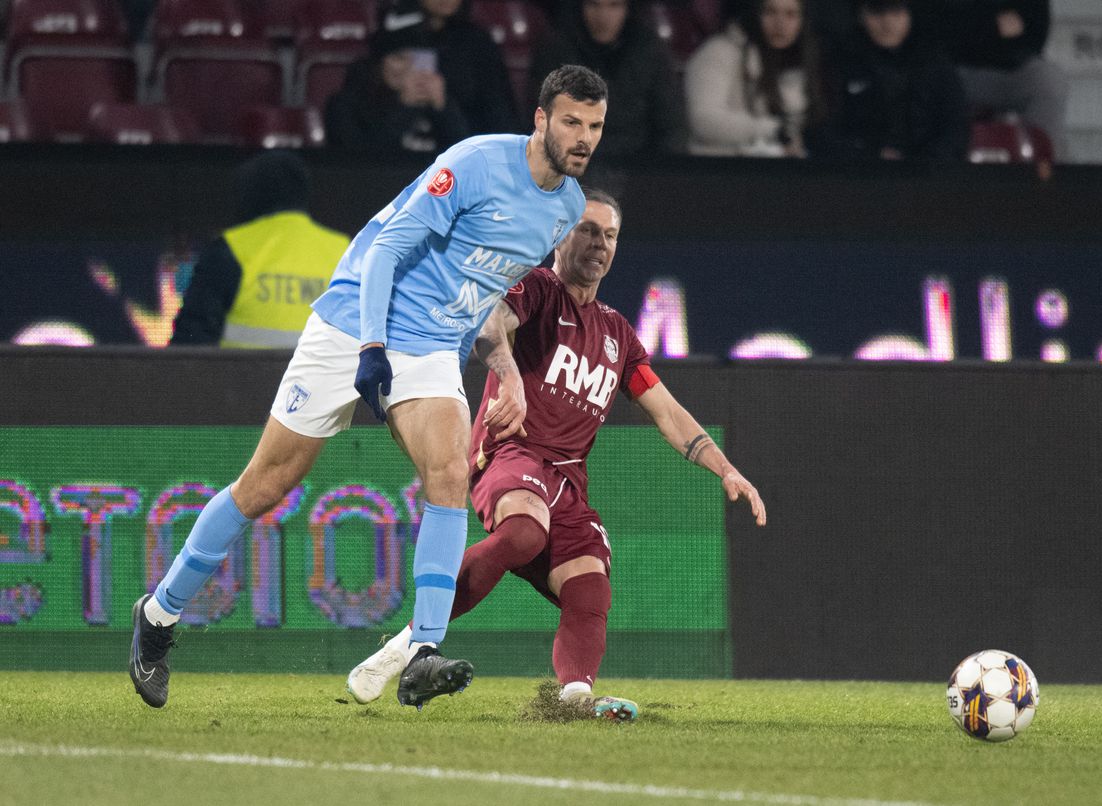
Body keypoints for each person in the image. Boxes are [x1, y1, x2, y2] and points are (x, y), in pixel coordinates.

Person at [129, 65, 609, 710]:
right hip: (355, 317)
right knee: (265, 485)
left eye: (595, 126)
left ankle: (422, 652)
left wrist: (503, 370)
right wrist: (372, 344)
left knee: (448, 474)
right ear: (542, 120)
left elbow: (489, 295)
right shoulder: (471, 163)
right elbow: (385, 250)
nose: (583, 138)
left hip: (435, 344)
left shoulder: (568, 209)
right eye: (572, 122)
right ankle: (159, 616)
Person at [344, 189, 767, 719]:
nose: (599, 244)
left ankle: (573, 700)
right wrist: (509, 377)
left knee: (590, 586)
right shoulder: (537, 288)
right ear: (561, 233)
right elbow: (491, 323)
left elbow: (666, 410)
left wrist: (724, 467)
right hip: (511, 453)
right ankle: (410, 644)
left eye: (609, 235)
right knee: (525, 532)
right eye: (588, 230)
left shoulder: (617, 333)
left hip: (568, 481)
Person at [169, 151, 349, 348]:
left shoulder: (231, 248)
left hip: (243, 379)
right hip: (327, 378)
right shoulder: (344, 250)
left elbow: (188, 348)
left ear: (248, 195)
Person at [807, 0, 969, 162]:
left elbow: (956, 128)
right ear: (861, 15)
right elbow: (823, 129)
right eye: (877, 12)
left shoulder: (934, 63)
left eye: (896, 12)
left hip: (927, 174)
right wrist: (870, 155)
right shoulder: (841, 62)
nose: (888, 22)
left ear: (909, 14)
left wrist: (925, 161)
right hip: (857, 173)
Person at [527, 0, 687, 158]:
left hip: (639, 168)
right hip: (569, 168)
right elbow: (540, 125)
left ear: (628, 9)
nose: (603, 17)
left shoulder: (650, 52)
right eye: (593, 5)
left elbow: (671, 127)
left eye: (614, 5)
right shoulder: (555, 52)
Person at [684, 0, 824, 157]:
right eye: (770, 12)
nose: (780, 24)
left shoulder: (802, 62)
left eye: (790, 15)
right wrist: (773, 131)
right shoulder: (718, 53)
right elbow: (703, 120)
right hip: (718, 170)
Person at [934, 0, 1068, 158]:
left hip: (1010, 70)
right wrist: (994, 27)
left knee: (1049, 80)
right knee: (927, 78)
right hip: (953, 73)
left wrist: (977, 31)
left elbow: (1035, 35)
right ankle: (932, 171)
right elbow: (938, 30)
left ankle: (1043, 169)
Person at [378, 0, 521, 136]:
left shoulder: (478, 45)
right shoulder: (393, 39)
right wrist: (404, 106)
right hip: (393, 155)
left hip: (460, 152)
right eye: (400, 57)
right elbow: (366, 136)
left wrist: (444, 106)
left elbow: (500, 120)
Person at [324, 27, 471, 154]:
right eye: (399, 58)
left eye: (417, 60)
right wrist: (406, 107)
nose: (409, 68)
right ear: (379, 63)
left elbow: (466, 157)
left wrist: (444, 110)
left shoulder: (440, 101)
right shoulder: (346, 104)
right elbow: (360, 162)